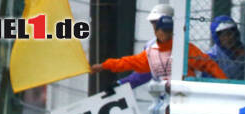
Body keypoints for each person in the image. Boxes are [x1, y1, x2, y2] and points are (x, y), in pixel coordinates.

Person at [90, 15, 227, 82]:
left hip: (184, 94)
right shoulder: (151, 54)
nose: (165, 34)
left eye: (169, 31)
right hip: (165, 97)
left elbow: (208, 64)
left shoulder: (185, 49)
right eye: (163, 31)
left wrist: (225, 82)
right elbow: (127, 62)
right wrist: (104, 65)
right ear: (156, 31)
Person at [208, 15, 245, 81]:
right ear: (217, 38)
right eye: (223, 35)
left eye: (230, 33)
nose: (228, 38)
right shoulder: (212, 56)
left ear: (236, 33)